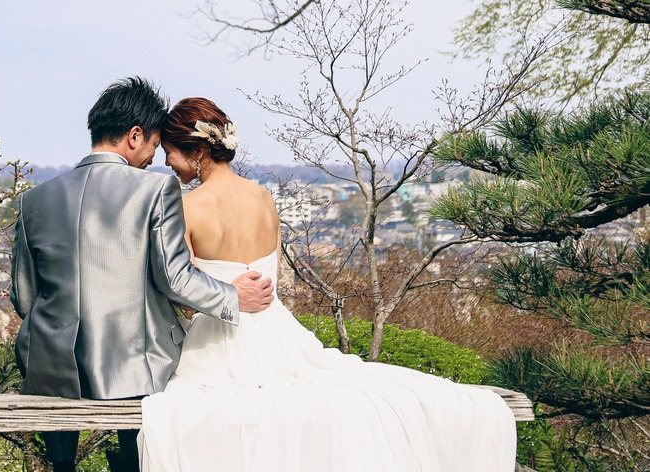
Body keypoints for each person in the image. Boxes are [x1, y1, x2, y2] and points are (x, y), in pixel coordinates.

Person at [137, 97, 518, 472]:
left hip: (218, 340)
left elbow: (185, 292)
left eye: (170, 152)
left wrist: (220, 293)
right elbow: (270, 276)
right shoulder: (264, 197)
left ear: (197, 151)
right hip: (278, 332)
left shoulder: (186, 207)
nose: (167, 163)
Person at [10, 78, 276, 472]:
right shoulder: (155, 190)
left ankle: (62, 464)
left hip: (50, 367)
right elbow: (174, 277)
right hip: (133, 368)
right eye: (154, 145)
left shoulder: (34, 199)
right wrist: (233, 297)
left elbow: (24, 295)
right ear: (134, 136)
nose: (156, 157)